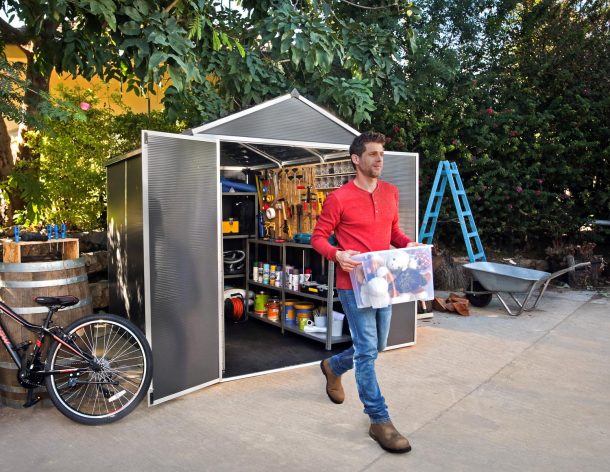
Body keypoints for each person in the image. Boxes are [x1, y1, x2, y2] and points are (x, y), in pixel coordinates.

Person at [311, 131, 419, 454]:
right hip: (352, 284)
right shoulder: (339, 198)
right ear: (356, 159)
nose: (379, 159)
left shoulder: (391, 192)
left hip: (383, 282)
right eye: (373, 154)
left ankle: (333, 367)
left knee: (377, 345)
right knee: (368, 350)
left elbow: (394, 233)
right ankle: (378, 419)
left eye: (381, 154)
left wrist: (411, 246)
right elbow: (318, 237)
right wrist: (336, 255)